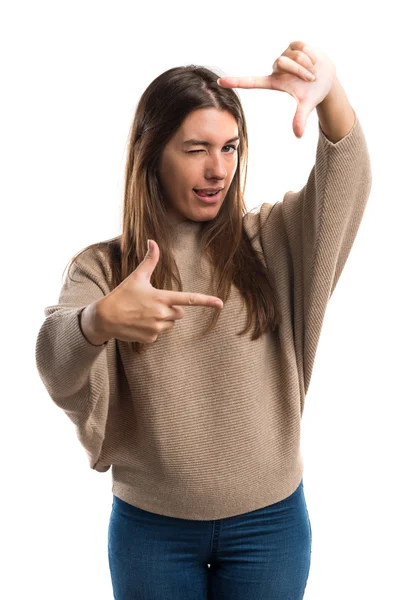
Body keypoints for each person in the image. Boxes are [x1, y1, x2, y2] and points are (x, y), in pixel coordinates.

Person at [35, 40, 372, 599]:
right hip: (152, 531)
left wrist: (331, 90)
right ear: (152, 154)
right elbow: (52, 358)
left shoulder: (270, 240)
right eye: (196, 148)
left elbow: (347, 181)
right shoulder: (105, 267)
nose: (219, 169)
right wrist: (99, 322)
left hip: (271, 526)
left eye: (231, 147)